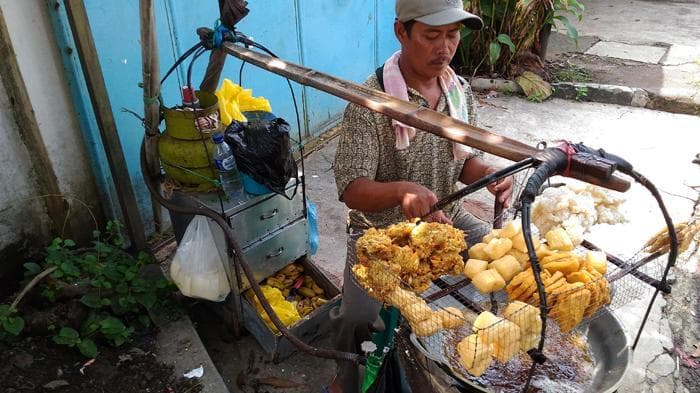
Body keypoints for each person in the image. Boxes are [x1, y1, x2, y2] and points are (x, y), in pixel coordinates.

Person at [328, 0, 513, 392]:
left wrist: (489, 174)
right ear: (401, 32)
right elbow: (351, 189)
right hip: (378, 234)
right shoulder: (371, 102)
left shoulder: (459, 93)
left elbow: (463, 164)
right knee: (356, 320)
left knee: (508, 263)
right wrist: (402, 191)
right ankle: (346, 382)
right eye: (431, 35)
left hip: (447, 219)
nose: (444, 48)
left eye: (452, 35)